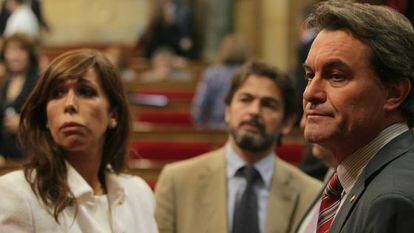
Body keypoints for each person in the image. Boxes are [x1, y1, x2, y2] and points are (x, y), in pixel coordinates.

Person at [0, 49, 158, 233]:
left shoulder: (138, 193)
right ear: (45, 117)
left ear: (113, 114)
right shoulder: (18, 194)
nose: (69, 104)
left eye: (86, 91)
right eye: (57, 93)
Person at [155, 61, 321, 233]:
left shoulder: (310, 194)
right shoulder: (177, 181)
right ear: (227, 111)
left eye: (268, 104)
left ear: (286, 123)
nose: (254, 111)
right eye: (245, 99)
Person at [302, 1, 414, 232]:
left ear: (394, 93)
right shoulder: (354, 177)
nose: (310, 93)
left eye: (335, 76)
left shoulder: (392, 200)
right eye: (310, 76)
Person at [191, 34, 249, 129]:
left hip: (214, 127)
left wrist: (201, 129)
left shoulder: (212, 73)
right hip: (241, 127)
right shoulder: (249, 75)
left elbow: (199, 106)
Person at [0, 33, 39, 160]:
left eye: (20, 50)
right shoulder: (5, 83)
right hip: (6, 155)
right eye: (10, 50)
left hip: (30, 153)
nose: (15, 56)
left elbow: (47, 120)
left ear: (29, 54)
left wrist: (23, 125)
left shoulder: (38, 81)